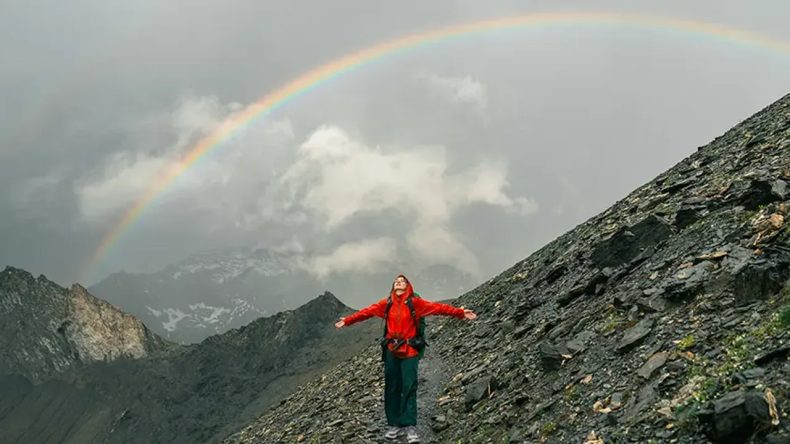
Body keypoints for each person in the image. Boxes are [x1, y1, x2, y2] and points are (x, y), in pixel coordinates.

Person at [334, 274, 477, 443]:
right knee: (392, 387)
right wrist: (348, 320)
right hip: (391, 350)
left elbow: (438, 308)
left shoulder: (415, 303)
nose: (398, 282)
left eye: (402, 281)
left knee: (409, 386)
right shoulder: (386, 303)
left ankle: (409, 426)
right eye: (396, 281)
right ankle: (393, 424)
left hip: (410, 350)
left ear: (408, 286)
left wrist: (460, 313)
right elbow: (368, 311)